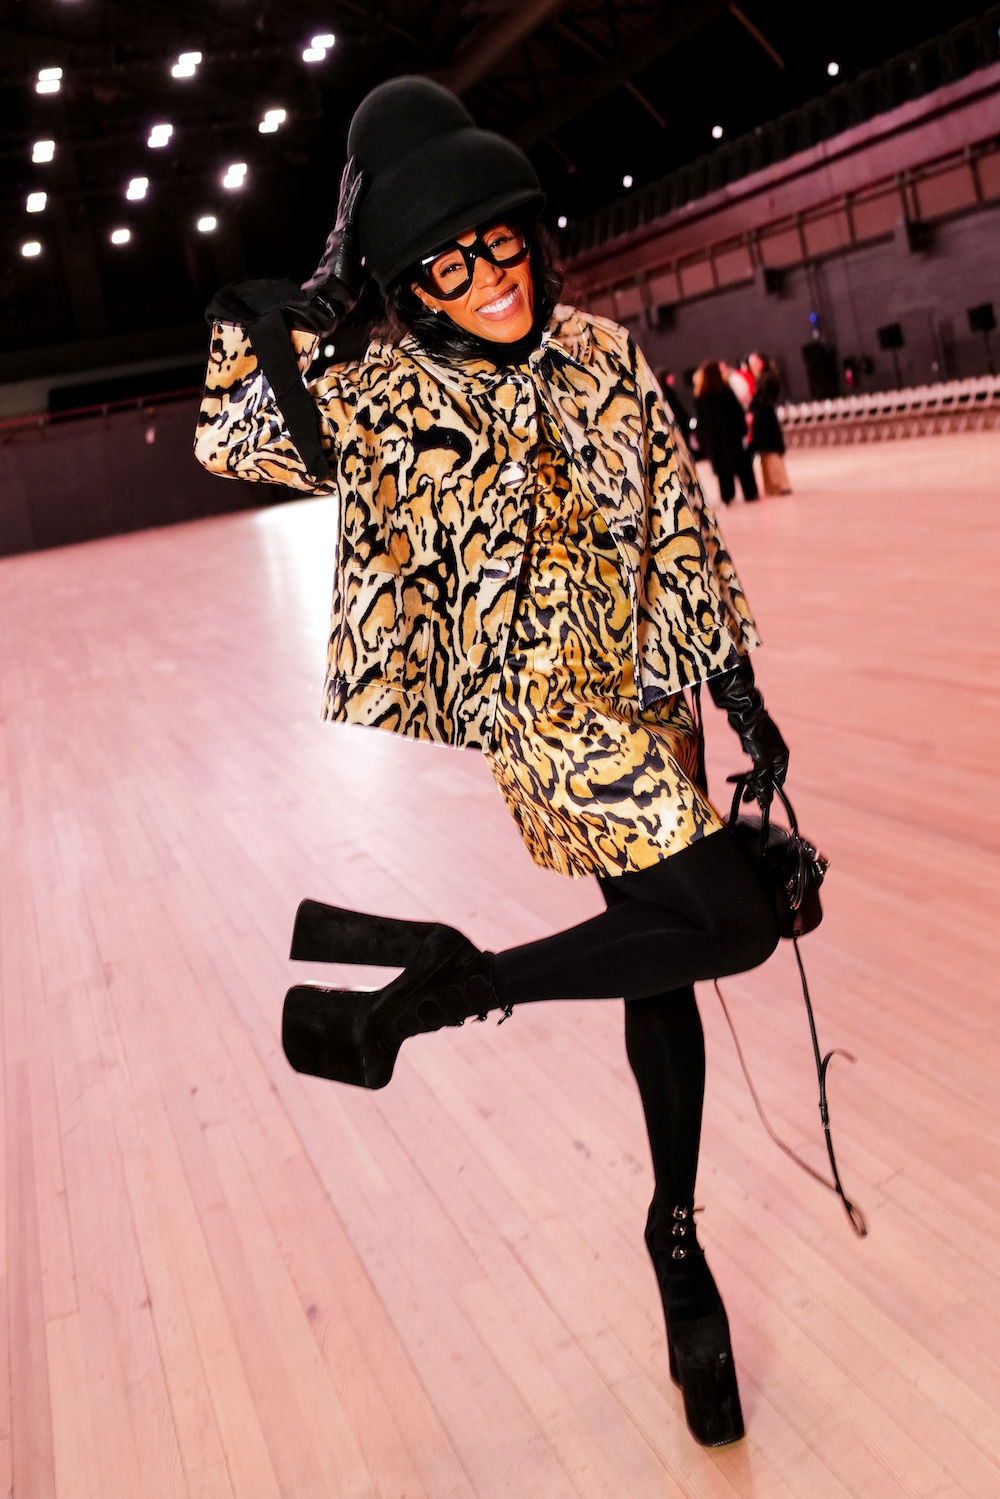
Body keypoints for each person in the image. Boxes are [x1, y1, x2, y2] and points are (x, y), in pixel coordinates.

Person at [195, 77, 789, 1449]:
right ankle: (454, 988)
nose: (490, 278)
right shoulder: (388, 386)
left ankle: (674, 1226)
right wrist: (318, 305)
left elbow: (673, 514)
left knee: (668, 948)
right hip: (546, 714)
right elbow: (234, 427)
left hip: (647, 694)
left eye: (501, 243)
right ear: (412, 276)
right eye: (448, 264)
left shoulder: (601, 348)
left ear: (533, 231)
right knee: (732, 914)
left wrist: (734, 677)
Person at [692, 361, 759, 505]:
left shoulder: (701, 396)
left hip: (714, 440)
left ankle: (727, 496)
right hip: (732, 437)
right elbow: (736, 412)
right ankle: (749, 493)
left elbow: (701, 421)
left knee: (723, 470)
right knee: (742, 466)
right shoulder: (725, 391)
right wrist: (743, 429)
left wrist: (704, 439)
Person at [749, 351, 792, 495]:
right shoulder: (761, 378)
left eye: (755, 362)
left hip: (766, 419)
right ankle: (772, 486)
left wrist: (754, 408)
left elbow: (764, 400)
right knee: (766, 454)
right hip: (762, 418)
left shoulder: (768, 379)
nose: (752, 365)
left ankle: (780, 484)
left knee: (772, 452)